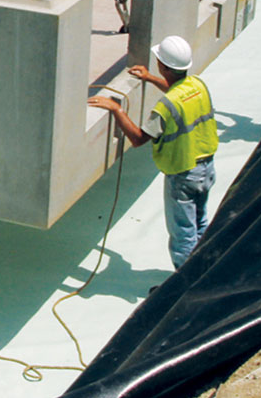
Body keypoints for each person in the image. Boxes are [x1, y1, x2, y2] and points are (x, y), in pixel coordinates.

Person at [87, 35, 218, 269]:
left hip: (184, 174)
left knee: (183, 236)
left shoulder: (165, 107)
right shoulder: (198, 84)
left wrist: (117, 109)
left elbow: (138, 139)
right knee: (200, 225)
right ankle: (205, 273)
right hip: (207, 170)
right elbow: (176, 88)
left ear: (164, 66)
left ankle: (183, 287)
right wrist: (149, 78)